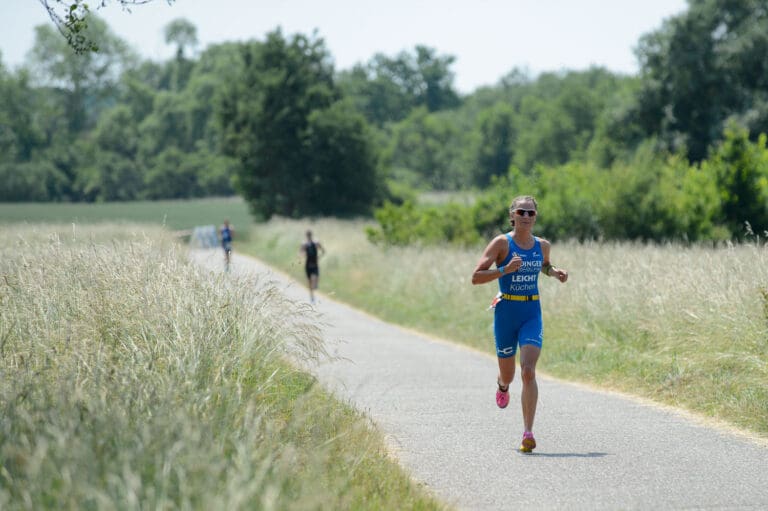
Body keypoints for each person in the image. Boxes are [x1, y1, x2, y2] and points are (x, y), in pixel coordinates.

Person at [471, 195, 568, 453]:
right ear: (511, 215)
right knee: (509, 375)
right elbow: (476, 277)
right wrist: (504, 270)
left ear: (536, 216)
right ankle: (502, 386)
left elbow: (544, 265)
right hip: (506, 313)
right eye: (521, 212)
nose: (526, 217)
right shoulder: (502, 243)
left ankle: (528, 432)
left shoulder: (542, 245)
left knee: (528, 370)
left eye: (531, 213)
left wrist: (554, 272)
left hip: (530, 312)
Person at [300, 229, 325, 303]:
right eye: (308, 235)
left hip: (315, 263)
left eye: (309, 235)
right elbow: (300, 252)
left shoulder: (316, 243)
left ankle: (315, 285)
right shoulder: (304, 244)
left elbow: (323, 251)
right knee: (309, 282)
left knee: (316, 278)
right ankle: (312, 297)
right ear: (306, 236)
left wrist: (319, 257)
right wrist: (302, 255)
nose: (308, 236)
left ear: (311, 235)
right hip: (308, 264)